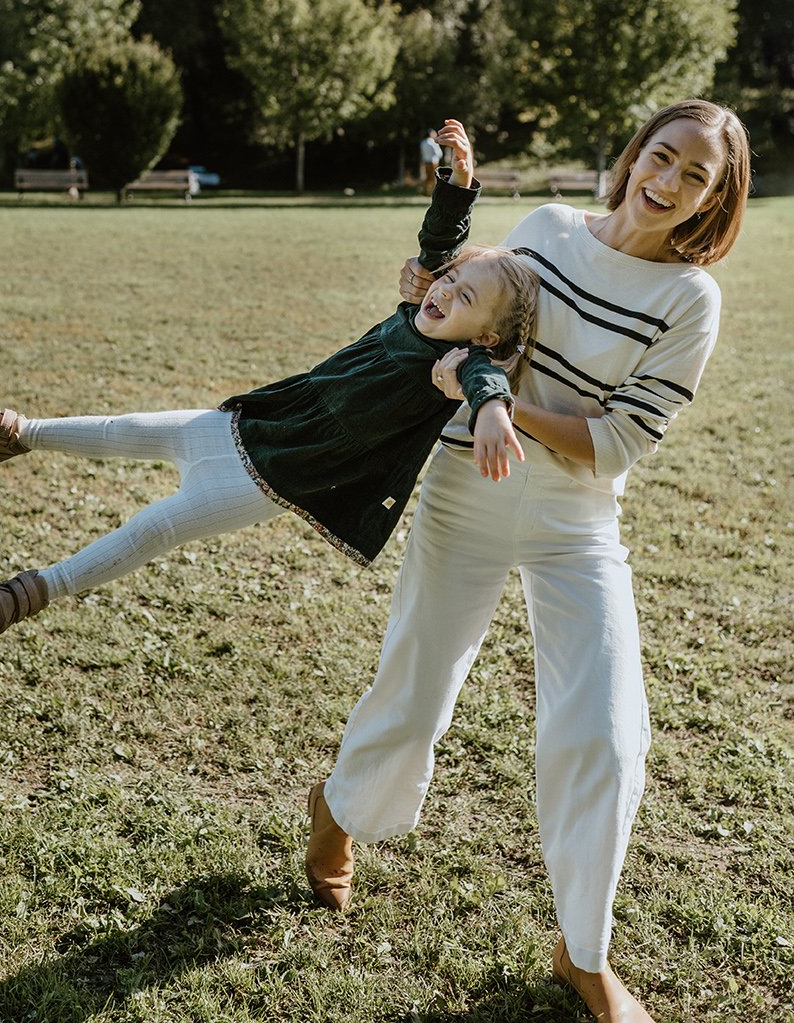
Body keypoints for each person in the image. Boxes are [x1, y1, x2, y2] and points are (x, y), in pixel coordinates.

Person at [304, 100, 751, 1023]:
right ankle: (340, 809)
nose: (666, 183)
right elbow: (471, 318)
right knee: (416, 693)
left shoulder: (689, 299)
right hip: (464, 492)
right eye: (660, 157)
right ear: (635, 155)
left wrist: (509, 407)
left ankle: (583, 951)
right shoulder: (548, 228)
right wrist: (429, 285)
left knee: (608, 730)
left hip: (575, 522)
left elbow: (620, 441)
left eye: (694, 177)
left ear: (714, 199)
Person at [0, 121, 540, 640]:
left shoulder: (454, 366)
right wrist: (456, 182)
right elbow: (438, 242)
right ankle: (14, 432)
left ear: (485, 335)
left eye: (465, 299)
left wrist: (490, 411)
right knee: (128, 428)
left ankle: (36, 590)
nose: (444, 292)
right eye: (450, 281)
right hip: (248, 423)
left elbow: (488, 382)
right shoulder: (420, 307)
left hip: (272, 477)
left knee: (155, 527)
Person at [420, 127, 443, 193]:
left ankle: (426, 190)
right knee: (434, 177)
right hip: (434, 162)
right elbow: (439, 153)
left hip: (426, 162)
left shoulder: (423, 142)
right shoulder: (433, 142)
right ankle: (433, 191)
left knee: (427, 177)